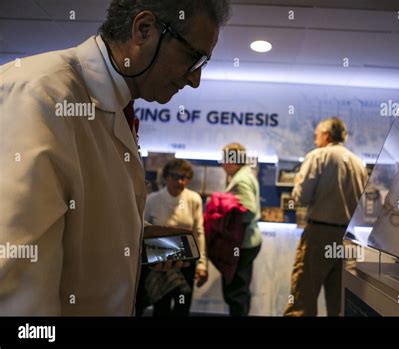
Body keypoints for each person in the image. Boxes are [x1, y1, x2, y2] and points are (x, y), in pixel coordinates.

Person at [0, 0, 230, 315]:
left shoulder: (115, 109)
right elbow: (14, 281)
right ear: (144, 29)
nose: (195, 79)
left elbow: (72, 225)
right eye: (193, 58)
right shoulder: (40, 94)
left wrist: (135, 236)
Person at [284, 117, 368, 317]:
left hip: (319, 236)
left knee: (302, 300)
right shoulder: (358, 164)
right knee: (339, 304)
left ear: (326, 135)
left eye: (316, 136)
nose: (315, 140)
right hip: (347, 239)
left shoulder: (318, 156)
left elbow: (301, 197)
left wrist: (297, 183)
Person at [139, 159, 208, 316]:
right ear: (166, 177)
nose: (180, 181)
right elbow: (143, 232)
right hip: (160, 259)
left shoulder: (193, 199)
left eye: (184, 177)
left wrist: (202, 263)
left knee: (182, 305)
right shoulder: (152, 200)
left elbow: (199, 232)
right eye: (175, 177)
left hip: (186, 258)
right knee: (160, 306)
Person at [220, 143, 262, 316]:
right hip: (247, 241)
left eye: (224, 159)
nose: (222, 164)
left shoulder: (241, 179)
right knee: (241, 290)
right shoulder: (245, 175)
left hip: (242, 243)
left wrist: (226, 222)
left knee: (235, 293)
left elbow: (249, 210)